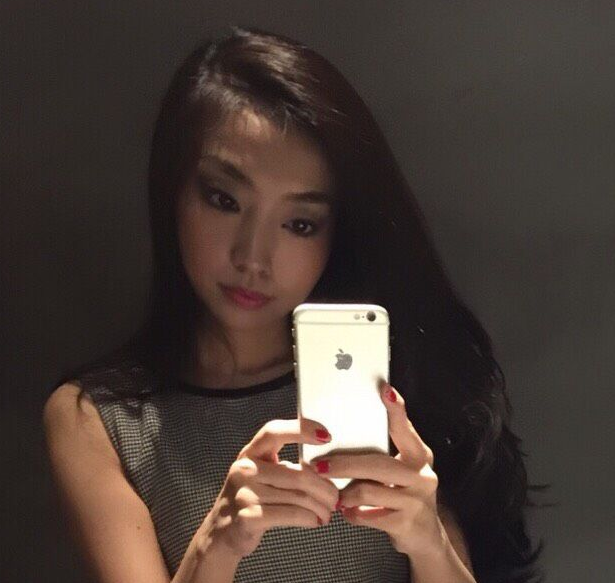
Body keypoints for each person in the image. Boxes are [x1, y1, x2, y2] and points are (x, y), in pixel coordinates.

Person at [43, 26, 544, 583]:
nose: (253, 257)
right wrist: (216, 544)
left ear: (336, 233)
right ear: (172, 191)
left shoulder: (388, 380)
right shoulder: (98, 419)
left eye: (300, 224)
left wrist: (430, 542)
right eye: (224, 199)